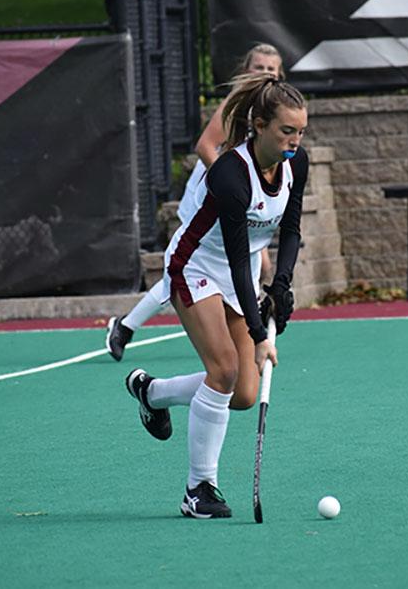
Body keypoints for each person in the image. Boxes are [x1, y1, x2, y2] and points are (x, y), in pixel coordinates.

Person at [124, 73, 308, 518]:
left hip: (236, 270)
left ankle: (152, 393)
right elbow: (234, 256)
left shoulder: (295, 164)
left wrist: (281, 287)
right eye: (287, 131)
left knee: (243, 393)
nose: (295, 141)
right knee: (224, 369)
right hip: (196, 266)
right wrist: (260, 328)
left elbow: (292, 229)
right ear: (259, 124)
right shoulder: (230, 173)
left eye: (301, 131)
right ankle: (198, 490)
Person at [106, 43, 284, 360]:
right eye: (259, 68)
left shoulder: (277, 113)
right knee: (187, 266)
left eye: (272, 69)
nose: (266, 74)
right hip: (210, 193)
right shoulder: (237, 104)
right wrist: (233, 188)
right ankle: (126, 326)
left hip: (240, 197)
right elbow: (205, 146)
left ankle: (129, 325)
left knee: (246, 261)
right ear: (246, 71)